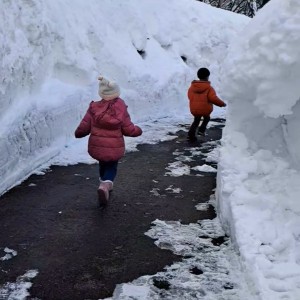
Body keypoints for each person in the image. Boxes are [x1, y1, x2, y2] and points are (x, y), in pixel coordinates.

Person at [75, 76, 142, 207]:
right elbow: (128, 129)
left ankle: (103, 183)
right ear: (117, 92)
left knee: (103, 163)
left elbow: (85, 125)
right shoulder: (120, 108)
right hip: (114, 146)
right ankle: (106, 184)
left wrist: (79, 133)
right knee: (112, 165)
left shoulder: (94, 108)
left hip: (97, 145)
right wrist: (137, 130)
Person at [187, 67, 226, 142]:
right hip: (205, 109)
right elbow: (213, 98)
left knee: (196, 120)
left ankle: (190, 135)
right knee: (206, 118)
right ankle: (201, 130)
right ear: (207, 76)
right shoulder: (209, 88)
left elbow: (189, 96)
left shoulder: (192, 87)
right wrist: (222, 104)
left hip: (194, 109)